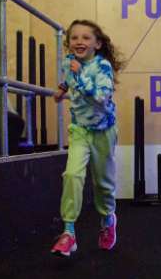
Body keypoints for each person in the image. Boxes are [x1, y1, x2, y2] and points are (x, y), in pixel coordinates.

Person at [50, 19, 125, 257]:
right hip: (80, 129)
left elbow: (101, 97)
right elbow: (70, 79)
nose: (79, 42)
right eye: (74, 38)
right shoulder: (69, 63)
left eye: (85, 38)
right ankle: (69, 232)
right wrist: (63, 88)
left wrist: (79, 77)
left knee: (103, 184)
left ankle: (107, 220)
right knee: (72, 174)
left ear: (97, 43)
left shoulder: (102, 66)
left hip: (103, 130)